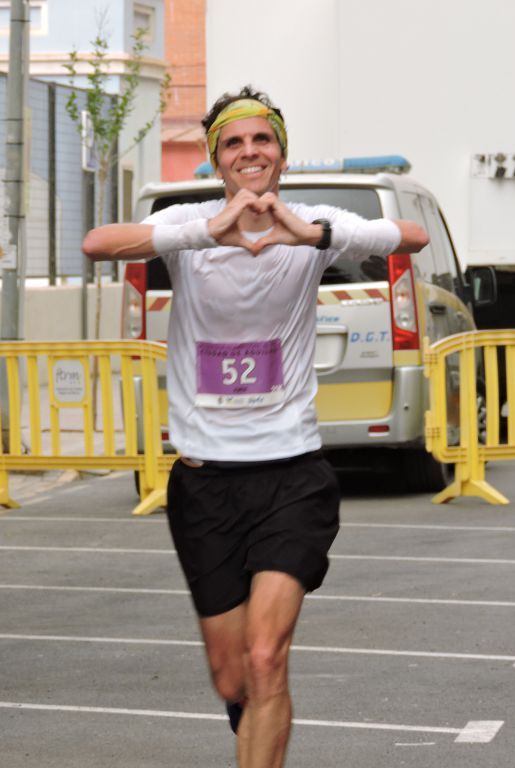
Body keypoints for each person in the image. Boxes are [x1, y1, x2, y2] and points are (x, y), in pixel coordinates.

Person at [82, 85, 429, 767]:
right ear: (217, 161)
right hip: (205, 484)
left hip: (291, 477)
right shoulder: (192, 229)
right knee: (233, 676)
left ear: (281, 155)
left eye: (261, 140)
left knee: (268, 656)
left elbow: (411, 235)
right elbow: (98, 243)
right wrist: (205, 231)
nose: (250, 153)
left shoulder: (312, 223)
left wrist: (312, 235)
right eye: (234, 143)